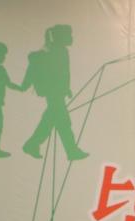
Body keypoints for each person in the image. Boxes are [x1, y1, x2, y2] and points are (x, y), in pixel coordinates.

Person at [21, 24, 88, 161]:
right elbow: (58, 74)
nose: (71, 37)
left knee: (51, 120)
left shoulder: (57, 50)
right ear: (60, 37)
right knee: (63, 123)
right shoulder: (59, 52)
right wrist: (63, 88)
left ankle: (32, 144)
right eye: (68, 35)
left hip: (55, 92)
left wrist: (66, 89)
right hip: (55, 93)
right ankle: (71, 151)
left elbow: (62, 74)